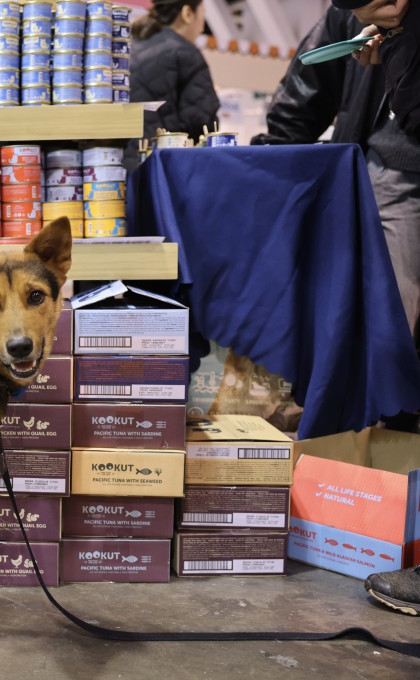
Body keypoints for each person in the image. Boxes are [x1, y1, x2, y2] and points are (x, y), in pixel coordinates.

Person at [253, 0, 420, 617]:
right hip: (368, 169)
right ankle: (337, 466)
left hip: (395, 170)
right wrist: (275, 159)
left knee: (384, 333)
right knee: (362, 325)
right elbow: (308, 83)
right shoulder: (352, 15)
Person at [128, 0, 220, 162]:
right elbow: (202, 124)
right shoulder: (185, 53)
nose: (201, 27)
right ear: (187, 14)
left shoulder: (132, 45)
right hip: (157, 166)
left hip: (114, 165)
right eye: (202, 16)